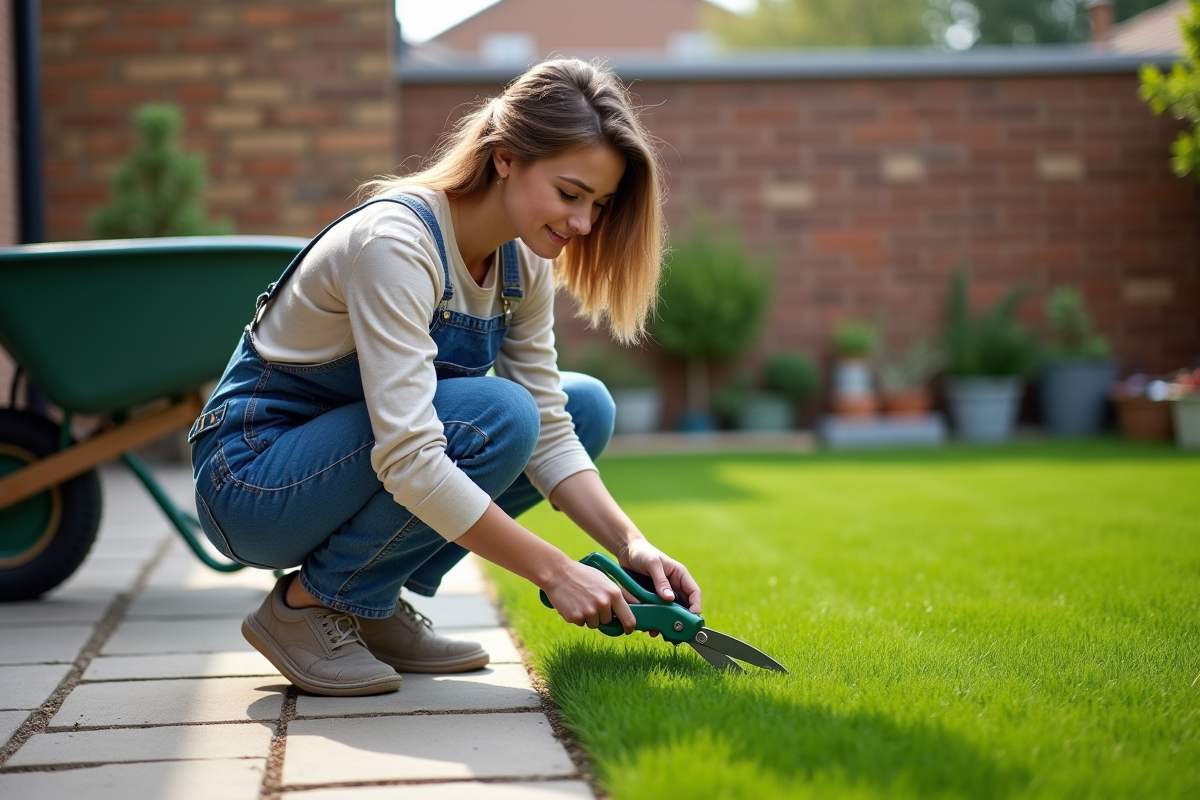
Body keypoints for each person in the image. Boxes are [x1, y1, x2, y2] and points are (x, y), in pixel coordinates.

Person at [188, 58, 702, 697]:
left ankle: (365, 604)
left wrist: (633, 546)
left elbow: (549, 424)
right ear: (506, 157)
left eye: (598, 205)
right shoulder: (397, 243)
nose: (583, 225)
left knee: (583, 405)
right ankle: (304, 609)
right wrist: (556, 571)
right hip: (253, 482)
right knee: (497, 413)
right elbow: (409, 455)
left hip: (346, 461)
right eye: (570, 194)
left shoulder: (525, 261)